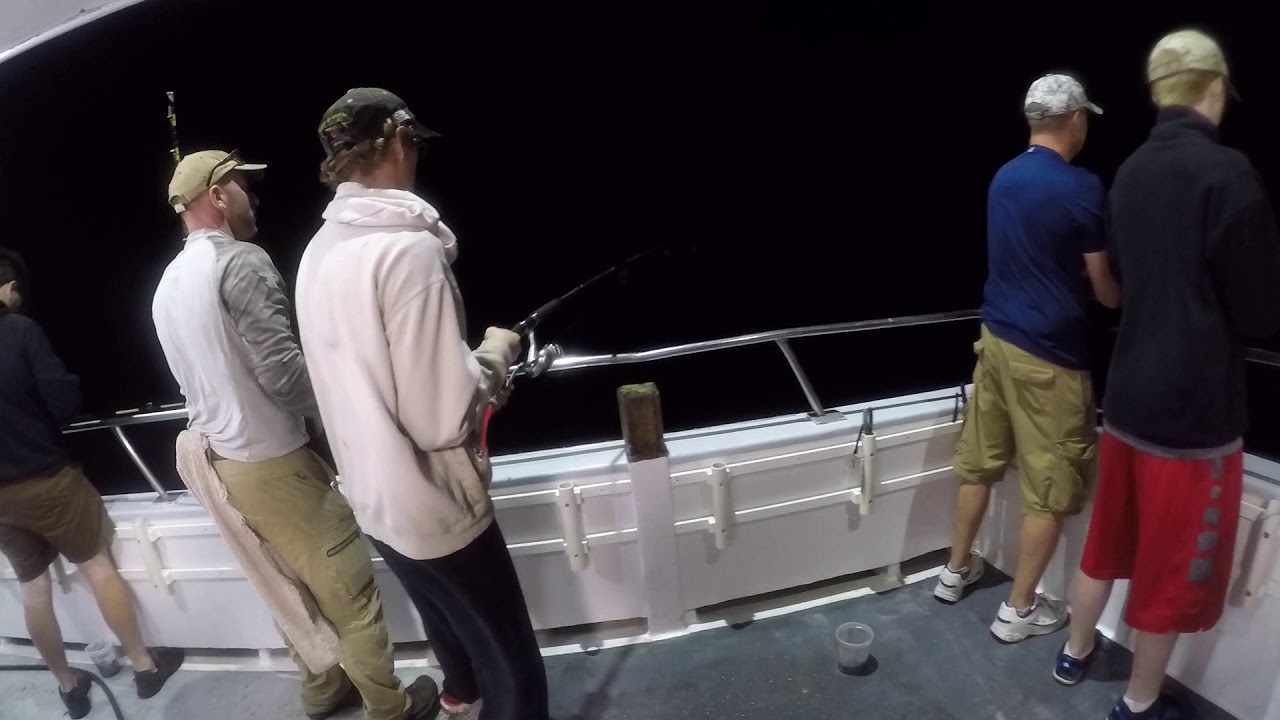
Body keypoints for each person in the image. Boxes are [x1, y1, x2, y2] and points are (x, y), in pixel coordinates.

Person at [151, 150, 439, 720]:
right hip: (275, 463)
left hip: (221, 467)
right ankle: (391, 707)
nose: (253, 198)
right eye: (244, 188)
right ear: (217, 196)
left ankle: (322, 690)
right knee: (349, 593)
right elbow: (284, 375)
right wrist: (355, 413)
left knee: (285, 587)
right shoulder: (242, 262)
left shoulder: (166, 284)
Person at [294, 87, 548, 720]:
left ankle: (458, 696)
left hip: (374, 500)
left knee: (443, 616)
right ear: (399, 140)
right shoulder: (412, 253)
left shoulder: (317, 253)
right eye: (415, 145)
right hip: (434, 508)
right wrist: (492, 358)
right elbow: (441, 416)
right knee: (510, 656)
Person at [1053, 29, 1280, 720]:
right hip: (1192, 417)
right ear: (1215, 89)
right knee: (1170, 565)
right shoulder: (1230, 174)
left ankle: (1075, 651)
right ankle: (1141, 701)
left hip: (1126, 400)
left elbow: (1119, 274)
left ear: (1158, 97)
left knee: (1105, 540)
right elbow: (1262, 310)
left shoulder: (1130, 171)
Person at [935, 73, 1119, 643]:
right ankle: (1018, 611)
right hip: (1050, 357)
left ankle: (954, 570)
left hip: (994, 340)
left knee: (979, 460)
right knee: (1052, 483)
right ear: (1074, 120)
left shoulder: (1003, 178)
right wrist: (1121, 297)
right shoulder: (1081, 187)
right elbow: (1104, 287)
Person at [0, 248, 183, 718]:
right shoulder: (19, 331)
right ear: (4, 287)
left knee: (34, 589)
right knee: (97, 566)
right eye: (15, 289)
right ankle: (144, 667)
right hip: (48, 481)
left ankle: (68, 687)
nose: (18, 298)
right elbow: (62, 400)